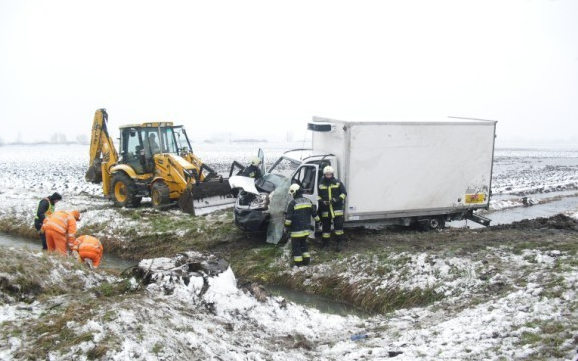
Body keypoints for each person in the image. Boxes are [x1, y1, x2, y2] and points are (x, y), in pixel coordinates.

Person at [284, 184, 320, 266]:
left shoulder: (292, 203)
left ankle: (299, 265)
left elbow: (288, 219)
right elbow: (314, 214)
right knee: (304, 245)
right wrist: (319, 221)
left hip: (296, 230)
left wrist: (287, 227)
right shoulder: (308, 201)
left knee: (296, 247)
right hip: (306, 230)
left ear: (295, 192)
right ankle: (307, 262)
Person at [317, 166, 347, 251]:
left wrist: (336, 200)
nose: (328, 176)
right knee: (325, 228)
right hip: (326, 210)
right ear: (324, 174)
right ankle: (325, 245)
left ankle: (339, 244)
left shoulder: (338, 183)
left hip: (336, 209)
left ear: (332, 174)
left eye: (330, 174)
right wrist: (321, 201)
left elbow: (344, 193)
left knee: (338, 228)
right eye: (327, 174)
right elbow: (318, 195)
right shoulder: (321, 184)